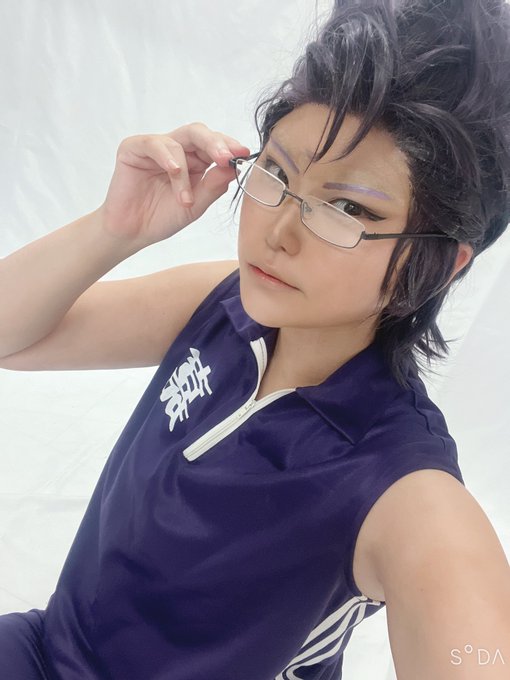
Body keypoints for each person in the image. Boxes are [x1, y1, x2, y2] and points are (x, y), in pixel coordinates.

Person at [1, 0, 509, 677]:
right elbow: (11, 338)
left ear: (440, 264)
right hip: (41, 651)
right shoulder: (220, 304)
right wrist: (113, 229)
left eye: (347, 207)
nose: (279, 232)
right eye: (277, 173)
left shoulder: (401, 485)